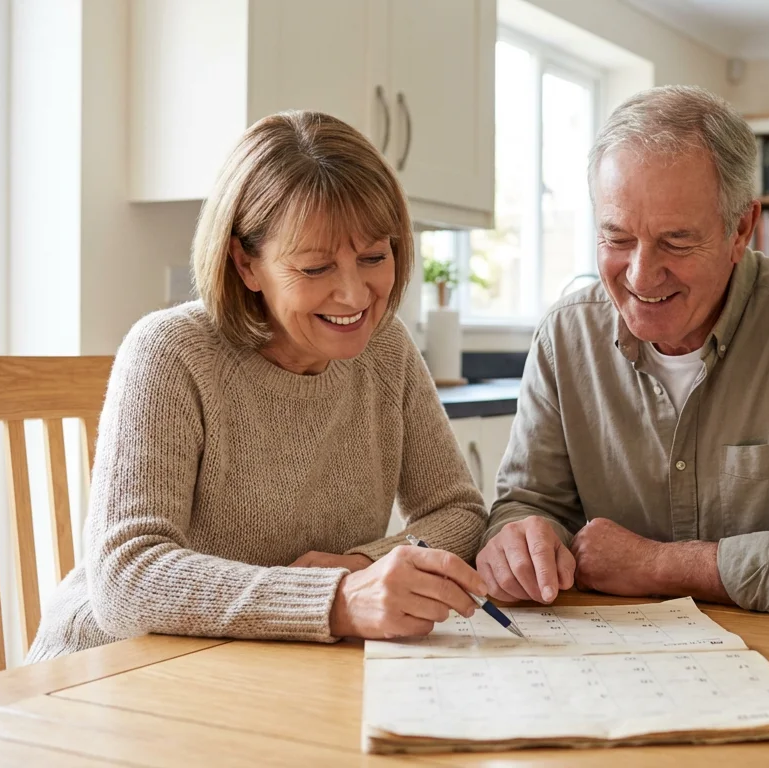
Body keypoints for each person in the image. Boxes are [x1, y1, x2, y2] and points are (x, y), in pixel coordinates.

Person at [27, 111, 488, 662]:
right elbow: (127, 578)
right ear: (246, 264)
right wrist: (333, 601)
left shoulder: (387, 352)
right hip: (108, 677)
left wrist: (361, 566)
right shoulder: (170, 353)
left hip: (263, 667)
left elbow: (459, 513)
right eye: (315, 268)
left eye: (374, 257)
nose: (354, 294)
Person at [475, 86, 769, 616]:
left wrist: (657, 565)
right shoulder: (564, 336)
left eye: (676, 241)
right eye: (617, 238)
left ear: (741, 228)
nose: (641, 275)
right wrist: (518, 542)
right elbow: (528, 506)